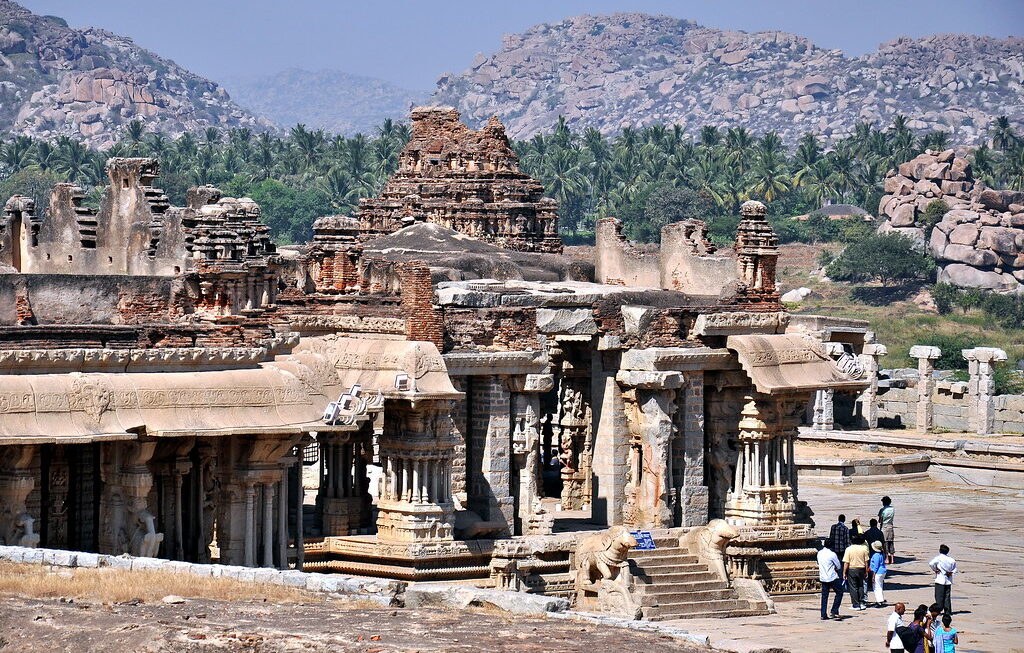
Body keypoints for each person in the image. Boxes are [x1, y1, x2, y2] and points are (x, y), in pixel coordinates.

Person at [816, 538, 844, 620]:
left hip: (823, 576)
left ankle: (823, 613)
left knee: (824, 596)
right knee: (840, 592)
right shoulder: (832, 554)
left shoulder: (819, 553)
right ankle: (834, 610)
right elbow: (838, 566)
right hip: (832, 576)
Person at [842, 534, 870, 611]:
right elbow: (866, 561)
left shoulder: (849, 549)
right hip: (862, 568)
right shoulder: (864, 549)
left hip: (852, 569)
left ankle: (856, 604)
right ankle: (861, 602)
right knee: (861, 585)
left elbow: (846, 562)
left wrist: (844, 572)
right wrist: (867, 571)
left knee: (853, 587)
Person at [929, 544, 958, 615]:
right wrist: (951, 572)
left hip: (940, 579)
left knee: (939, 597)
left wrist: (935, 569)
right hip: (948, 580)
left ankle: (938, 610)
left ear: (940, 551)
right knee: (947, 597)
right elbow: (955, 569)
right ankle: (947, 611)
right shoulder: (951, 560)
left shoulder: (938, 558)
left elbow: (931, 563)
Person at [869, 540, 888, 607]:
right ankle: (881, 599)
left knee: (876, 586)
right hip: (882, 571)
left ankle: (879, 600)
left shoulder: (876, 555)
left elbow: (876, 566)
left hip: (878, 572)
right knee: (880, 585)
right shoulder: (881, 554)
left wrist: (873, 575)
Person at [879, 496, 896, 564]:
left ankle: (886, 558)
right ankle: (892, 558)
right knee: (891, 542)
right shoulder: (892, 509)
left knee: (885, 543)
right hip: (890, 526)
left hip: (884, 526)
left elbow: (880, 520)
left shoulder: (882, 510)